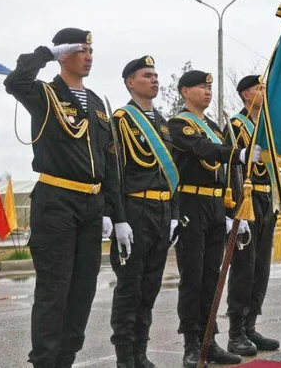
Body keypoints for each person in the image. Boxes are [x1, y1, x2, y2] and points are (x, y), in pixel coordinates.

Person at [4, 28, 128, 368]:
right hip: (56, 201)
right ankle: (44, 362)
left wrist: (116, 215)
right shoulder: (45, 94)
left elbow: (110, 163)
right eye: (80, 50)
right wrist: (45, 51)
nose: (88, 56)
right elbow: (14, 81)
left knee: (83, 289)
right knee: (54, 289)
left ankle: (65, 359)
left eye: (91, 50)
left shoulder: (99, 104)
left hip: (91, 206)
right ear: (64, 55)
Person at [167, 70, 261, 367]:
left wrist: (234, 214)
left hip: (215, 204)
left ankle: (210, 340)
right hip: (191, 204)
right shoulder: (179, 124)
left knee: (212, 276)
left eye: (209, 87)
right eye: (199, 87)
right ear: (184, 91)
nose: (207, 91)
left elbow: (225, 172)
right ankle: (191, 344)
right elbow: (203, 150)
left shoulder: (211, 125)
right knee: (192, 277)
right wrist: (239, 154)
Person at [108, 56, 179, 368]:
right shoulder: (121, 121)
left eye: (156, 75)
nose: (154, 80)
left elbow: (172, 174)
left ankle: (141, 352)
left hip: (162, 210)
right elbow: (114, 173)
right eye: (147, 75)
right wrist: (117, 217)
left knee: (150, 287)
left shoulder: (163, 124)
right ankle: (125, 356)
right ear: (130, 82)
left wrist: (175, 212)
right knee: (130, 286)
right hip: (135, 210)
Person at [224, 75, 281, 356]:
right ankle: (235, 333)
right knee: (244, 268)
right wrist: (234, 210)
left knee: (261, 268)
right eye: (260, 88)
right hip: (246, 201)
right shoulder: (236, 125)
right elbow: (231, 169)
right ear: (246, 95)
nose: (264, 92)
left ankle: (250, 325)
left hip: (267, 198)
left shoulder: (266, 127)